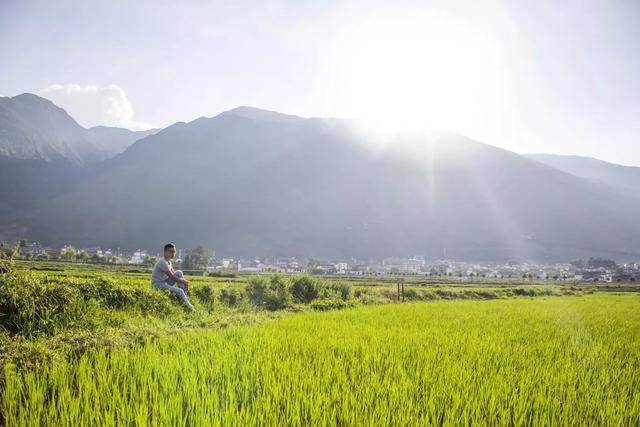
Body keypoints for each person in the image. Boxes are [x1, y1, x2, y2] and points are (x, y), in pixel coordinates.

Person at [152, 243, 195, 310]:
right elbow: (172, 277)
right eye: (170, 251)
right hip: (158, 285)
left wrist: (183, 282)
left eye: (174, 251)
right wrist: (184, 281)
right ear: (165, 252)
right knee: (179, 291)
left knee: (179, 272)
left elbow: (174, 273)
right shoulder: (162, 262)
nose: (173, 253)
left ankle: (185, 295)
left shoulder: (169, 261)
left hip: (165, 281)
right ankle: (190, 308)